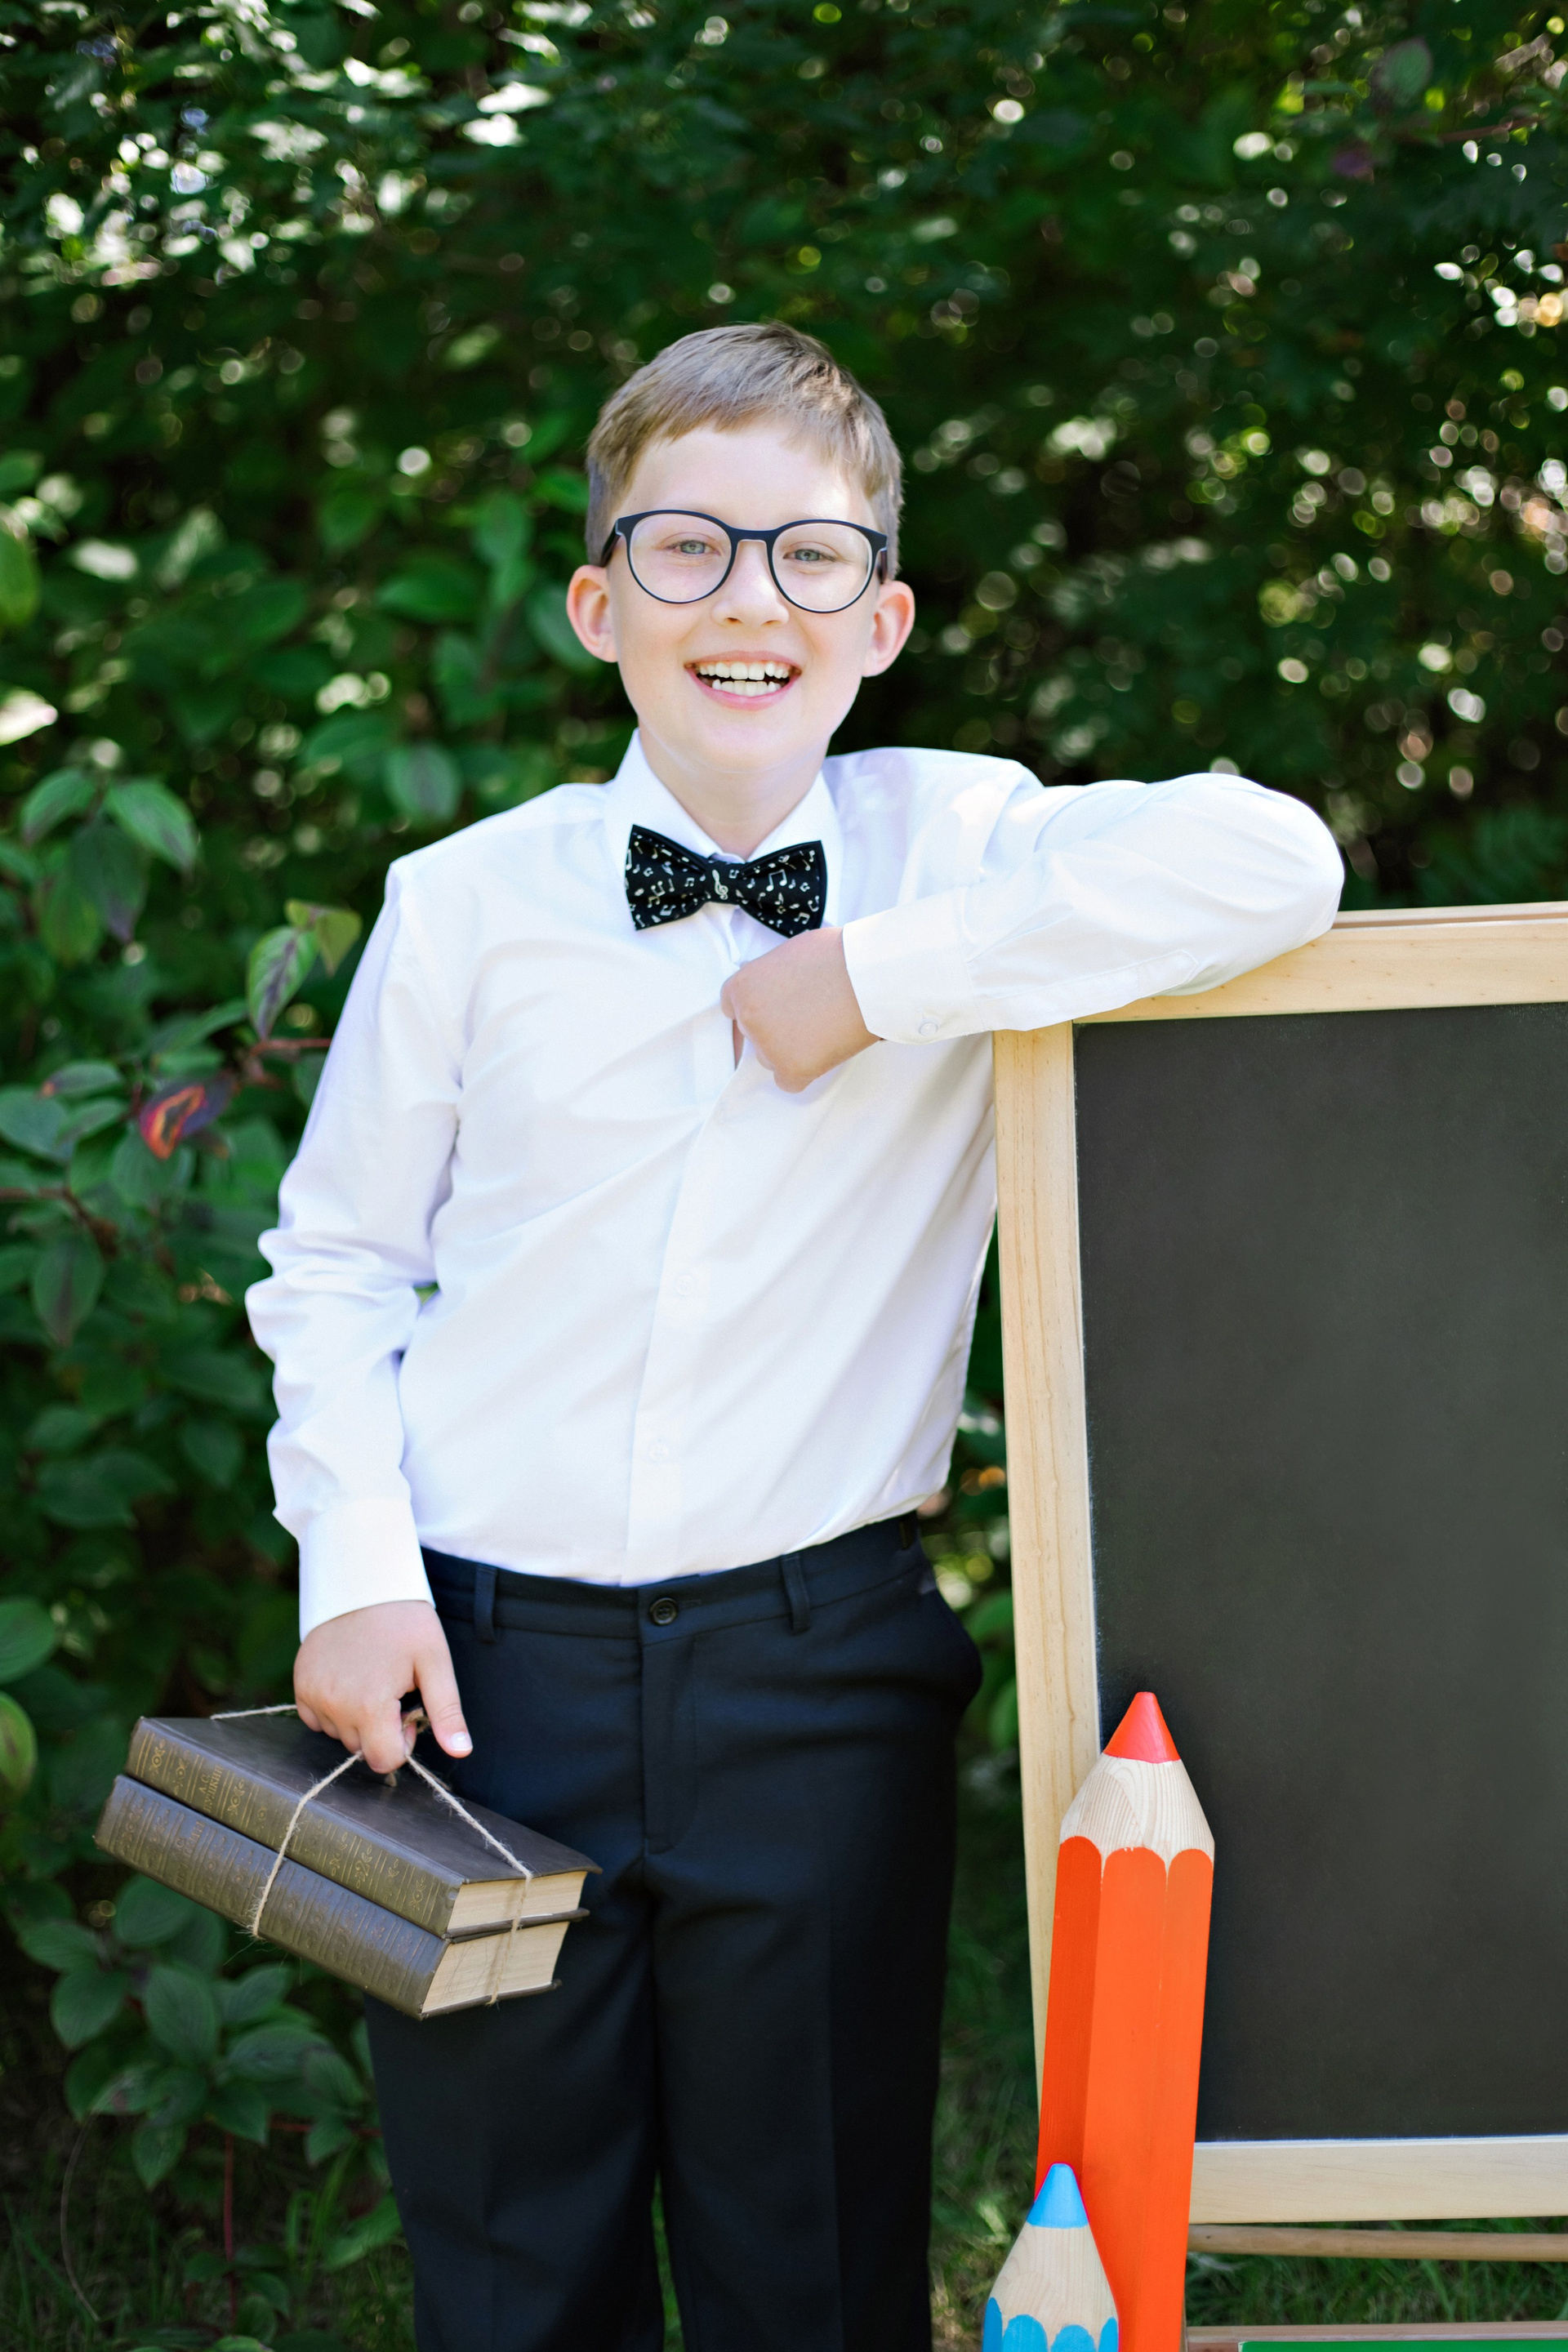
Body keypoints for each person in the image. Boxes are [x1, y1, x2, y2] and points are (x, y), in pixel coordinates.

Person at [247, 321, 1342, 2352]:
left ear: (884, 619)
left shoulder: (966, 842)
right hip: (481, 1677)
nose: (749, 600)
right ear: (599, 604)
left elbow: (1281, 859)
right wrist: (356, 1572)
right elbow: (335, 1265)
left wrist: (882, 976)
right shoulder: (464, 902)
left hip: (818, 1674)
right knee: (510, 2255)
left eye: (809, 556)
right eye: (688, 547)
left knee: (813, 2259)